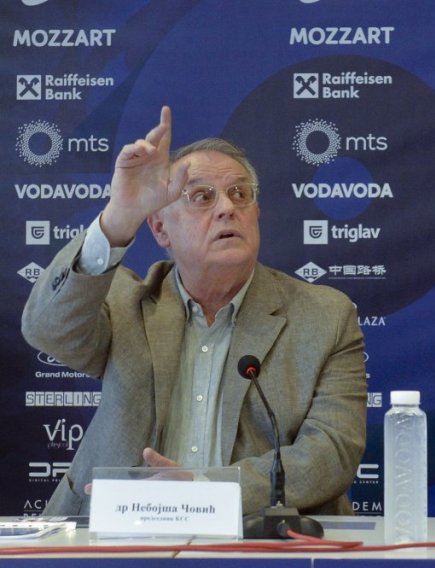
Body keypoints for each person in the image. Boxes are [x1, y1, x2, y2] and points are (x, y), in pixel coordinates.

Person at [22, 106, 368, 517]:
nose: (226, 208)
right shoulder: (125, 303)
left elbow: (331, 453)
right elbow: (46, 329)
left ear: (256, 215)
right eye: (202, 197)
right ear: (160, 228)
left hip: (259, 536)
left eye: (239, 194)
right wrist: (119, 218)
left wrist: (205, 491)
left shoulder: (324, 316)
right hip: (117, 528)